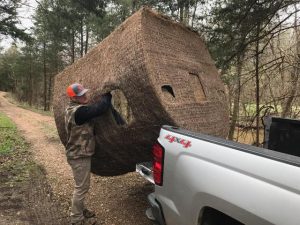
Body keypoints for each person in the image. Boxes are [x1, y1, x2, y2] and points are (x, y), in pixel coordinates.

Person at [65, 83, 112, 225]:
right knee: (81, 188)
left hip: (78, 153)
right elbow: (101, 108)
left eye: (85, 93)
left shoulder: (73, 108)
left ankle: (81, 210)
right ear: (74, 98)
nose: (85, 96)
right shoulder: (79, 112)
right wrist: (108, 93)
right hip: (79, 155)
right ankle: (76, 219)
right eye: (81, 95)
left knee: (81, 185)